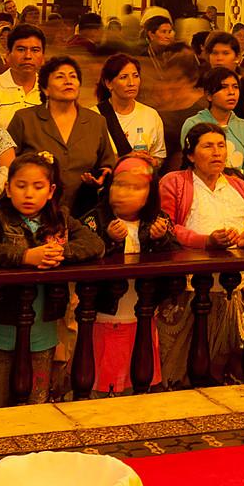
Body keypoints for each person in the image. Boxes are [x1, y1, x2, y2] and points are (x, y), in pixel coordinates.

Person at [0, 151, 103, 406]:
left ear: (51, 190)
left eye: (38, 186)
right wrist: (25, 256)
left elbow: (94, 243)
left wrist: (61, 251)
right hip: (0, 321)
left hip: (43, 323)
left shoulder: (60, 217)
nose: (29, 193)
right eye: (21, 186)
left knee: (36, 400)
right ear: (8, 189)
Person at [157, 124, 244, 383]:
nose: (217, 152)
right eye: (208, 146)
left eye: (221, 146)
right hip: (188, 287)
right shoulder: (174, 182)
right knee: (181, 366)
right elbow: (167, 228)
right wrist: (206, 241)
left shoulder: (238, 186)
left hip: (233, 286)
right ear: (190, 154)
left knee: (223, 364)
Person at [86, 152, 175, 393]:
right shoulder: (94, 220)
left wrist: (160, 240)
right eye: (119, 184)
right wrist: (110, 240)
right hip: (105, 315)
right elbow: (81, 253)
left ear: (150, 194)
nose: (124, 192)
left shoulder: (159, 220)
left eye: (135, 187)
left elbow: (174, 257)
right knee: (105, 379)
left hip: (144, 315)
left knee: (141, 374)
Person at [9, 56, 123, 218]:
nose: (68, 81)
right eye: (60, 77)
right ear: (45, 89)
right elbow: (7, 165)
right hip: (34, 211)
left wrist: (101, 177)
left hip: (83, 212)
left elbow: (107, 163)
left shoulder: (96, 121)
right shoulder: (24, 119)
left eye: (73, 76)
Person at [181, 69, 244, 179]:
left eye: (235, 87)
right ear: (209, 95)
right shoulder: (193, 124)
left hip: (239, 193)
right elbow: (189, 165)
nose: (231, 92)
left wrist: (243, 194)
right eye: (224, 87)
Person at [95, 55, 164, 167]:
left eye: (135, 76)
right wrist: (125, 160)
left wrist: (153, 162)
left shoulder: (151, 115)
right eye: (123, 77)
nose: (131, 83)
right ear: (108, 83)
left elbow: (159, 156)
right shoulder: (94, 116)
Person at [0, 24, 49, 131]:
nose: (28, 56)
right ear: (8, 55)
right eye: (21, 49)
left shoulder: (51, 91)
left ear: (43, 57)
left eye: (35, 50)